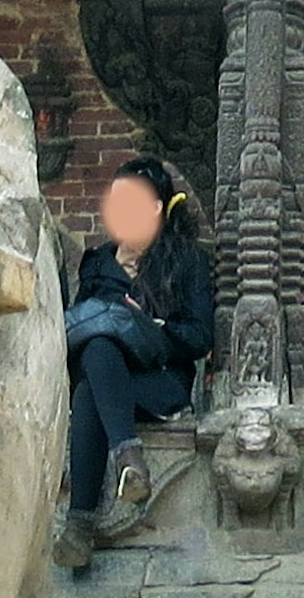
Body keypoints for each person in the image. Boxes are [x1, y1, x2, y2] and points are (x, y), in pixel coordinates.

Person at [54, 156, 212, 569]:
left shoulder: (187, 262)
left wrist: (155, 326)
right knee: (98, 350)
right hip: (106, 376)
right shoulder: (98, 263)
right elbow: (82, 326)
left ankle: (79, 526)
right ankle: (128, 459)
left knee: (94, 381)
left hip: (159, 381)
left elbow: (200, 337)